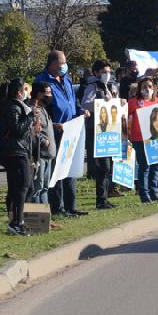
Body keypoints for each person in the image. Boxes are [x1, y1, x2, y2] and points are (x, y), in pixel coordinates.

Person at [34, 50, 88, 217]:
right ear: (52, 64)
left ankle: (71, 206)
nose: (64, 66)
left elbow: (73, 101)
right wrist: (52, 124)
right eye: (61, 63)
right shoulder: (42, 80)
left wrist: (81, 110)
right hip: (55, 130)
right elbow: (41, 106)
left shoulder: (66, 79)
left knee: (70, 168)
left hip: (71, 129)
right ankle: (58, 207)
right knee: (57, 169)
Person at [0, 78, 40, 235]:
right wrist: (30, 117)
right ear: (18, 92)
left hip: (22, 150)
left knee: (26, 187)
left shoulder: (19, 107)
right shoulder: (12, 107)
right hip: (15, 152)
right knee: (21, 187)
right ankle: (16, 222)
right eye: (25, 90)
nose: (27, 93)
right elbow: (17, 129)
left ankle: (19, 220)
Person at [80, 59, 119, 210]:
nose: (107, 74)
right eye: (104, 72)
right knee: (103, 167)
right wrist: (102, 101)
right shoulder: (93, 87)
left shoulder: (110, 86)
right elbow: (86, 104)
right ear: (96, 73)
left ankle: (105, 198)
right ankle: (100, 200)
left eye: (109, 72)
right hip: (98, 131)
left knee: (108, 167)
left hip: (110, 130)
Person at [128, 77, 158, 203]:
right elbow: (124, 116)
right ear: (140, 89)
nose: (147, 89)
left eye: (149, 86)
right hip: (139, 139)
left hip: (155, 138)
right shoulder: (133, 102)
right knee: (144, 166)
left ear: (153, 88)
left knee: (155, 166)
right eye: (144, 87)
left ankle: (154, 192)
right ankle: (144, 194)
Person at [27, 82, 55, 204]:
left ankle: (45, 216)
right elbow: (32, 129)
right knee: (37, 188)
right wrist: (43, 141)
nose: (50, 95)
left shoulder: (43, 109)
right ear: (39, 94)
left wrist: (55, 126)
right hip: (39, 155)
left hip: (48, 155)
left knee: (45, 187)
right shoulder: (33, 110)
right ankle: (37, 218)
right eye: (47, 93)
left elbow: (44, 127)